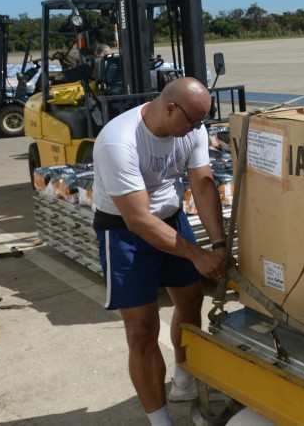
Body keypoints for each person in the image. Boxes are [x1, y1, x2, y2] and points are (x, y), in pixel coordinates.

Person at [93, 77, 228, 426]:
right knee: (141, 328)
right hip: (125, 231)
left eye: (201, 123)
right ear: (170, 107)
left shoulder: (190, 129)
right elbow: (138, 219)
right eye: (192, 121)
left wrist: (218, 245)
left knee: (190, 301)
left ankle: (184, 376)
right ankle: (160, 420)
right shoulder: (118, 140)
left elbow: (201, 183)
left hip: (170, 218)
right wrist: (196, 256)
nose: (197, 131)